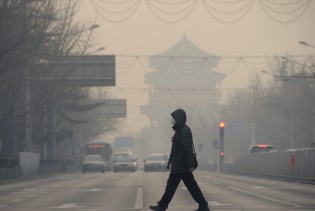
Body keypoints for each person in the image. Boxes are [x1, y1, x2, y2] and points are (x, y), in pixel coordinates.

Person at [150, 108, 210, 211]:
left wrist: (190, 164)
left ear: (179, 118)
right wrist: (170, 161)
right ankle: (203, 205)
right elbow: (177, 149)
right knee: (189, 186)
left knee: (173, 186)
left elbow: (188, 148)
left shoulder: (183, 130)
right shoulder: (180, 130)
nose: (172, 120)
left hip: (181, 165)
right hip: (180, 164)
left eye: (173, 118)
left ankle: (162, 206)